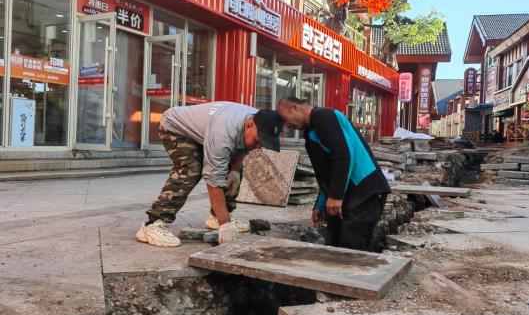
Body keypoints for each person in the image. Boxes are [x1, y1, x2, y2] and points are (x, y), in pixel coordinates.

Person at [136, 101, 283, 247]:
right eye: (258, 140)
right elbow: (214, 180)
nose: (257, 146)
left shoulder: (260, 120)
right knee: (191, 169)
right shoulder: (223, 133)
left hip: (206, 130)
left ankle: (216, 217)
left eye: (262, 144)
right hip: (176, 127)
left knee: (233, 171)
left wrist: (235, 171)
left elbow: (242, 146)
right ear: (249, 124)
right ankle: (153, 223)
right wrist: (226, 225)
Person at [276, 97, 391, 251]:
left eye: (284, 118)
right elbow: (326, 174)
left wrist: (335, 197)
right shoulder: (311, 133)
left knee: (351, 252)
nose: (286, 125)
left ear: (295, 108)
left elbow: (343, 155)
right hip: (348, 196)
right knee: (332, 248)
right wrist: (321, 205)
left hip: (365, 193)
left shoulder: (324, 116)